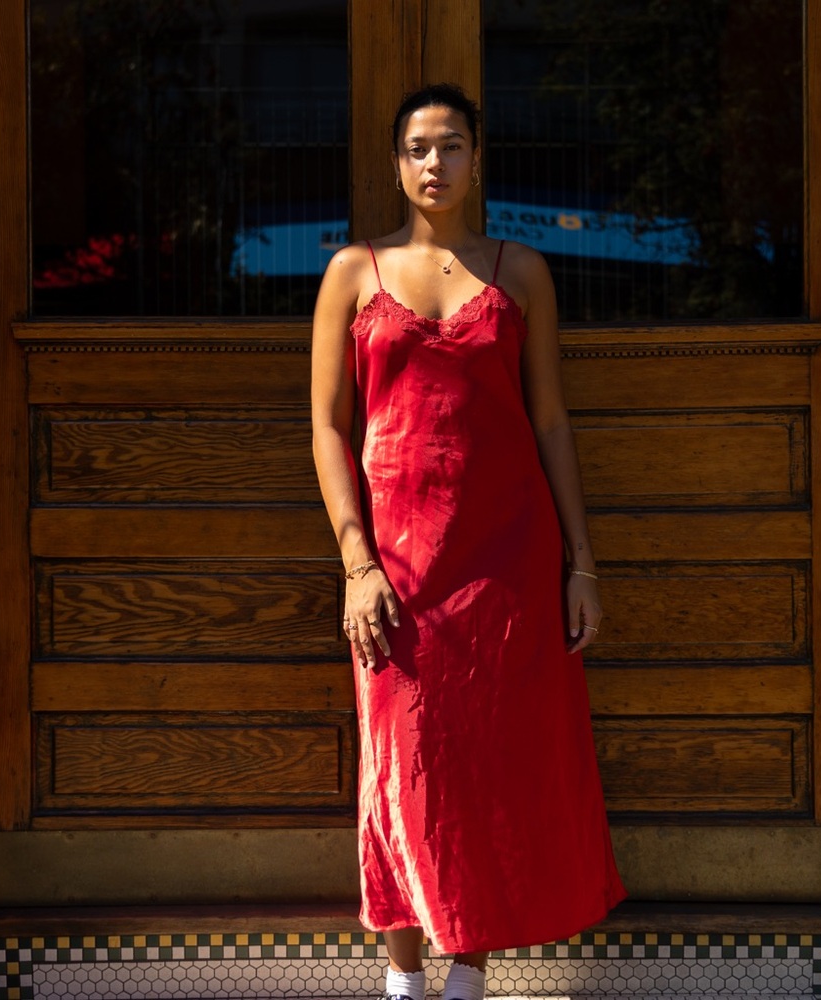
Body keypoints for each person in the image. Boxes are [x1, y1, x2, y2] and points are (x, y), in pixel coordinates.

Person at [311, 83, 625, 1000]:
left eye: (451, 145)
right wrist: (356, 563)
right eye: (417, 148)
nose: (434, 163)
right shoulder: (353, 272)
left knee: (492, 766)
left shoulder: (520, 272)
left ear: (477, 160)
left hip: (506, 562)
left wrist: (582, 564)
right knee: (401, 763)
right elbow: (328, 428)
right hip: (396, 570)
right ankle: (404, 981)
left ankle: (468, 981)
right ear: (395, 165)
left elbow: (551, 420)